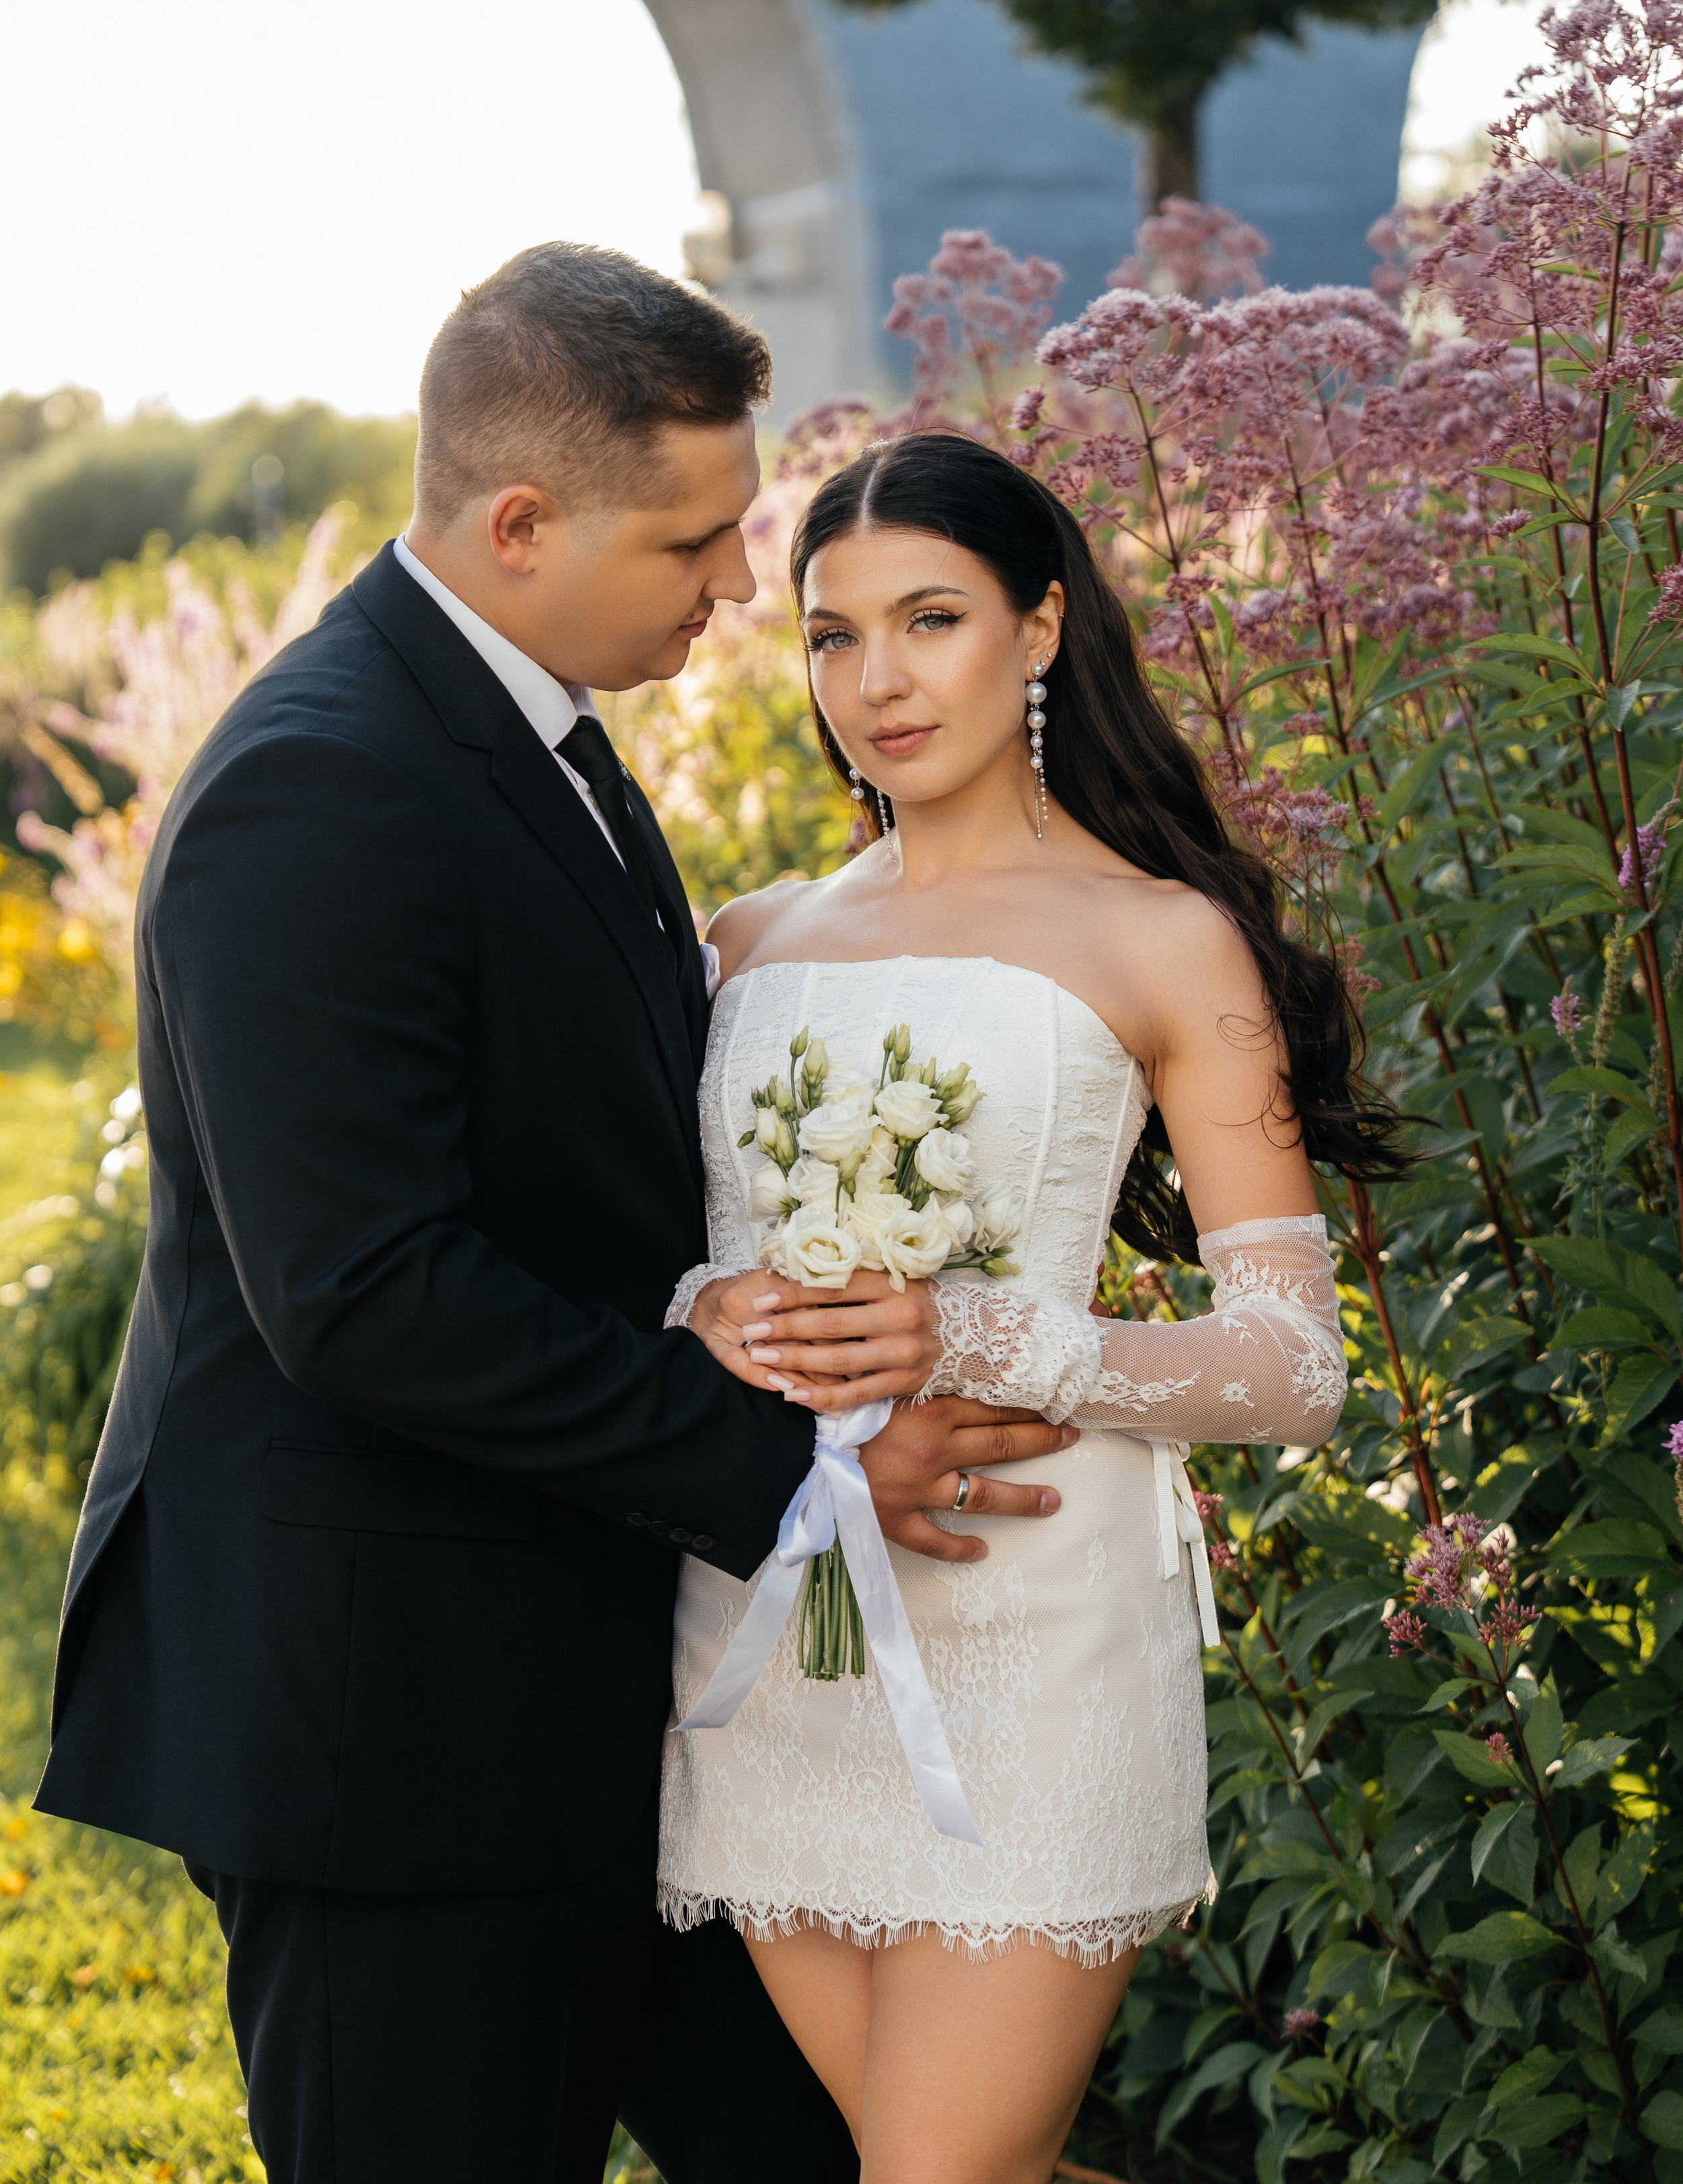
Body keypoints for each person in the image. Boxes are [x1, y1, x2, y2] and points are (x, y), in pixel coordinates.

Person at [32, 255, 1088, 2184]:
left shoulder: (540, 733)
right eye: (694, 542)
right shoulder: (320, 790)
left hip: (600, 1681)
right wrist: (799, 1467)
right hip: (387, 1717)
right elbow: (362, 1290)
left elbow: (592, 1172)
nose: (732, 588)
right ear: (520, 526)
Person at [663, 431, 1407, 2184]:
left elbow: (1298, 1368)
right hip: (768, 1643)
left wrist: (991, 1338)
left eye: (931, 619)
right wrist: (707, 1306)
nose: (877, 681)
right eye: (832, 637)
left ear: (1046, 625)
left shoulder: (1165, 941)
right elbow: (649, 1250)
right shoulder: (744, 943)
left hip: (1038, 1635)